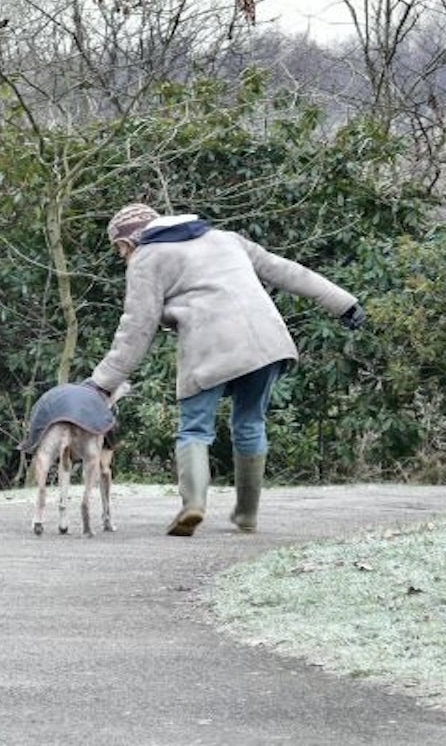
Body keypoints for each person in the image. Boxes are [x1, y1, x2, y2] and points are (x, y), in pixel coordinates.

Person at [84, 203, 365, 536]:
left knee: (195, 430)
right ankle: (246, 515)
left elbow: (136, 329)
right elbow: (286, 270)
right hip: (265, 342)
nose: (122, 256)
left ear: (131, 240)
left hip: (209, 347)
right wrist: (344, 303)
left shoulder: (148, 258)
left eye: (119, 248)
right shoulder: (225, 239)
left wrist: (102, 382)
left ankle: (193, 506)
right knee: (250, 423)